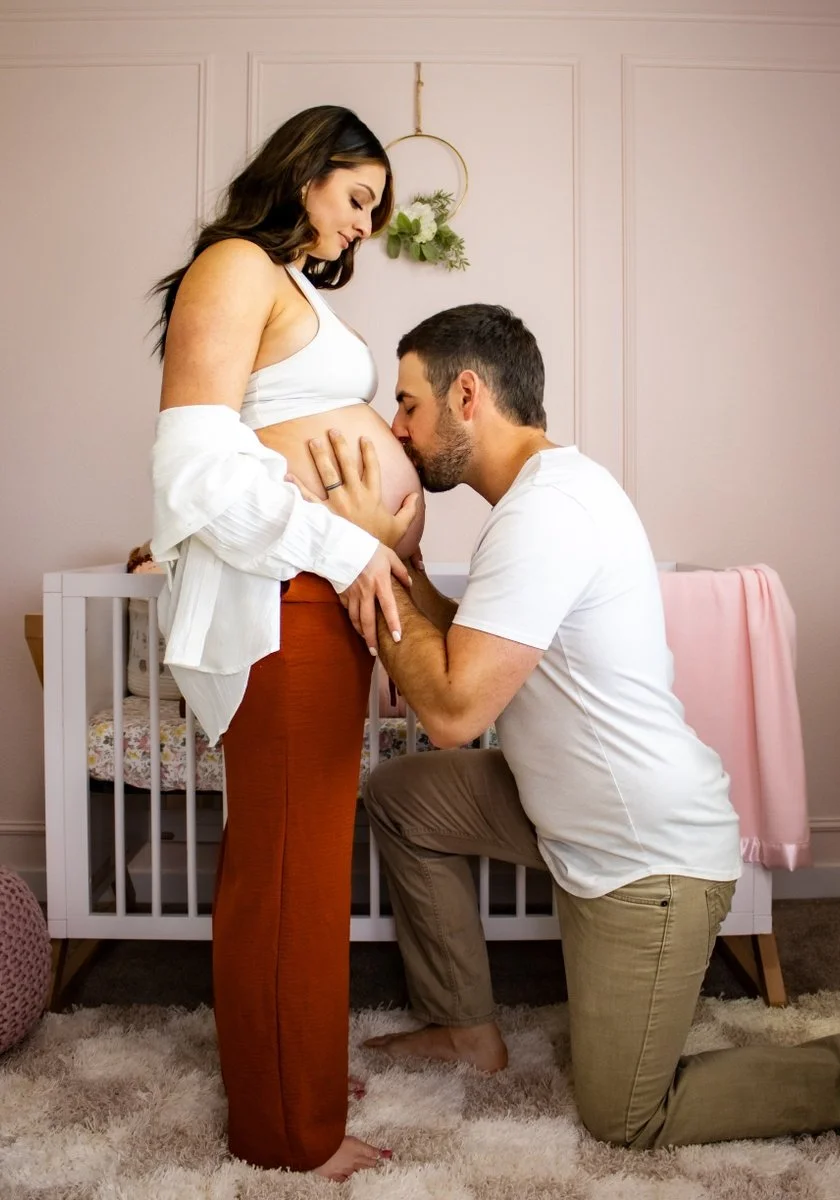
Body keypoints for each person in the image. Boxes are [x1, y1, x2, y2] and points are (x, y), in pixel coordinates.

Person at [302, 302, 840, 1149]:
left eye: (409, 403)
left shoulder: (546, 514)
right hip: (565, 805)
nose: (397, 426)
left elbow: (455, 712)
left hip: (647, 857)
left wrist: (362, 562)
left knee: (629, 1116)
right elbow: (474, 643)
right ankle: (464, 1024)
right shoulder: (541, 498)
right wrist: (406, 567)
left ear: (466, 395)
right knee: (402, 795)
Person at [148, 106, 423, 1181]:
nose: (366, 225)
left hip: (312, 592)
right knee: (288, 870)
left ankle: (287, 1073)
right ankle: (286, 1132)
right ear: (306, 172)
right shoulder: (234, 264)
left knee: (305, 864)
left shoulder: (289, 287)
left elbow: (263, 435)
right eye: (358, 197)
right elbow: (194, 464)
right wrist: (343, 546)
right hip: (289, 595)